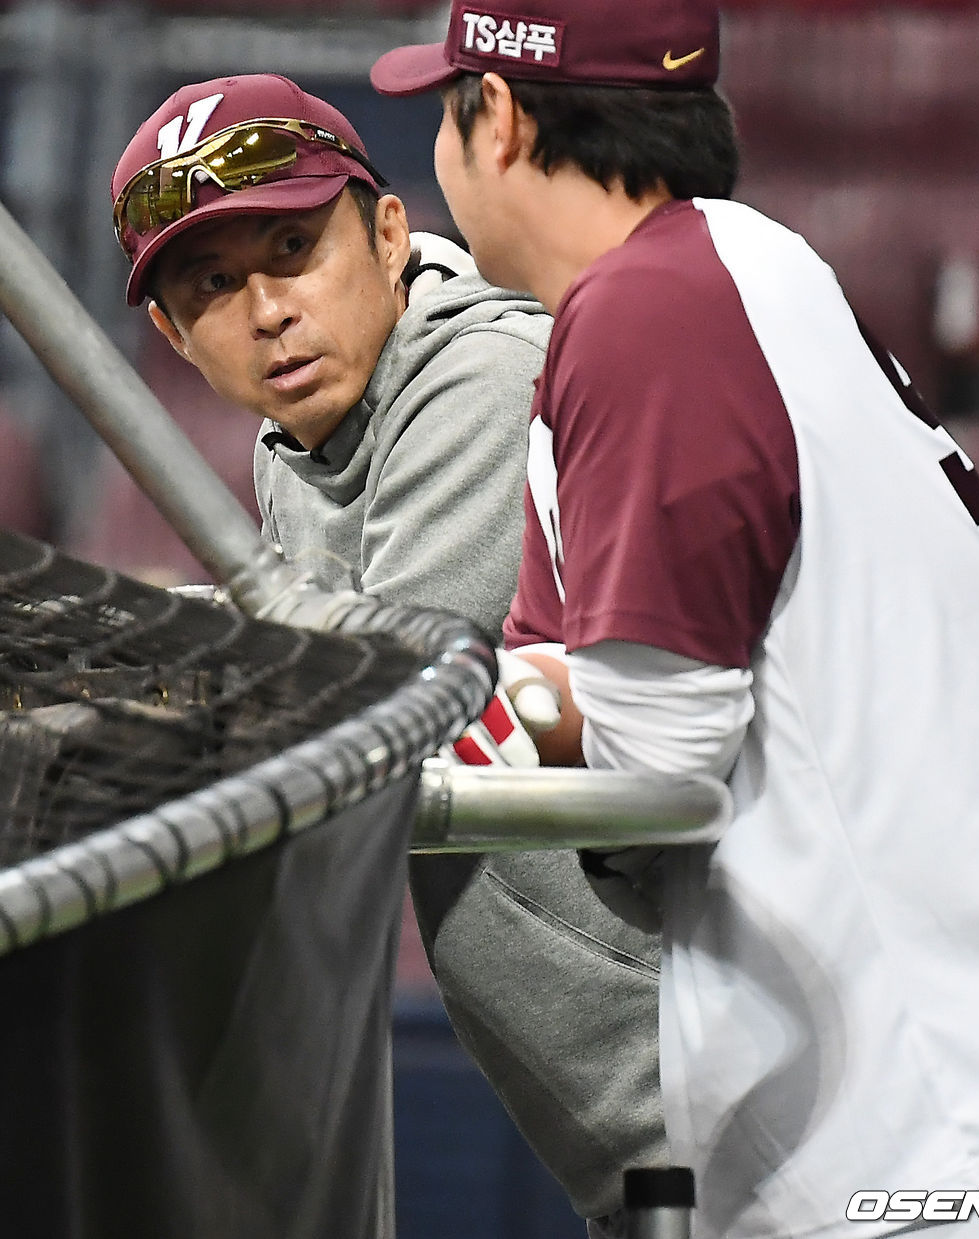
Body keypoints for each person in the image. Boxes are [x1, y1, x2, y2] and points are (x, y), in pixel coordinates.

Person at [371, 0, 979, 1236]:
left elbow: (656, 751)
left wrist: (388, 743)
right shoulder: (739, 274)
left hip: (936, 1125)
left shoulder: (656, 307)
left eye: (447, 109)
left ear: (495, 115)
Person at [109, 72, 669, 1237]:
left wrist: (124, 644)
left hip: (763, 1080)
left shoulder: (484, 378)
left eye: (294, 251)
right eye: (212, 283)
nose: (267, 310)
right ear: (168, 333)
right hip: (655, 1118)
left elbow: (380, 705)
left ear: (390, 232)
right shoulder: (303, 439)